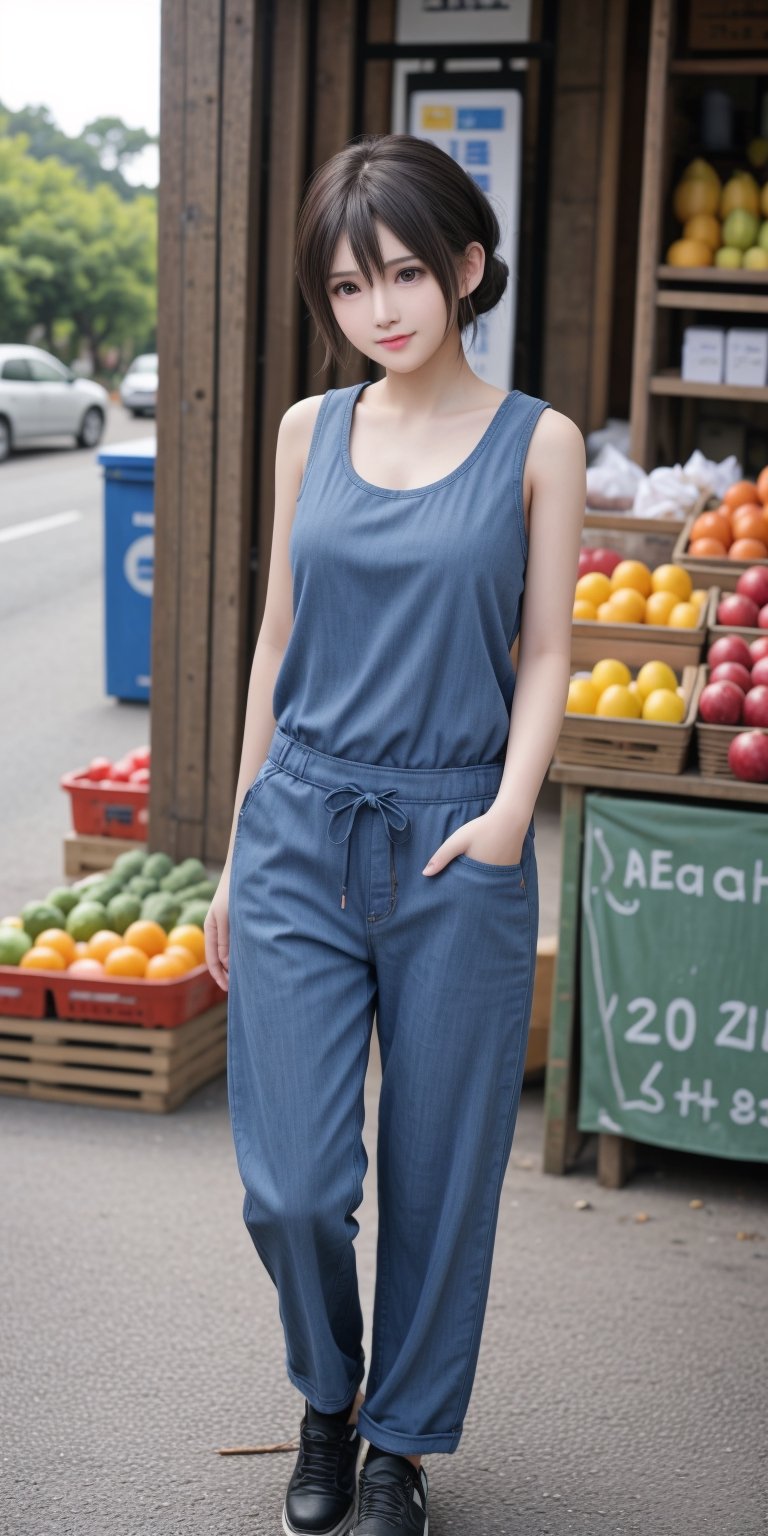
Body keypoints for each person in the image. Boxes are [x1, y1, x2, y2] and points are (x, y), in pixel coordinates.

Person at [205, 132, 586, 1536]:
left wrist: (504, 819)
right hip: (303, 820)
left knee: (442, 1176)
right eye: (352, 283)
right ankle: (327, 1393)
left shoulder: (537, 442)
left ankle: (399, 1451)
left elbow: (547, 651)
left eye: (408, 272)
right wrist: (242, 853)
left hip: (455, 838)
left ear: (469, 267)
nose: (382, 308)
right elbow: (276, 641)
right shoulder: (313, 430)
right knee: (295, 1185)